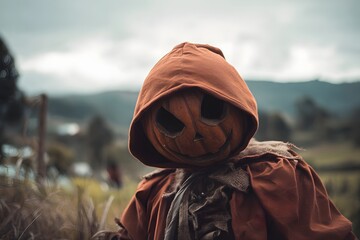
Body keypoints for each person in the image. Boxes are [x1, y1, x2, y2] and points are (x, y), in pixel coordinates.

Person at [111, 42, 356, 239]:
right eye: (172, 122)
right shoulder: (153, 193)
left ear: (237, 106)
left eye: (213, 109)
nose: (196, 133)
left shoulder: (278, 175)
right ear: (149, 129)